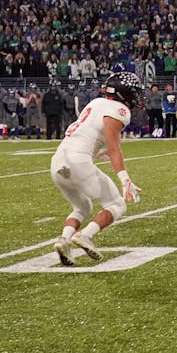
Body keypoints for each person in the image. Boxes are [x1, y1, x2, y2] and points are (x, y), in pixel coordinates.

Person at [50, 71, 143, 265]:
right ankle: (85, 236)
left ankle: (64, 240)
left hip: (58, 159)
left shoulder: (96, 103)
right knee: (117, 205)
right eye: (133, 92)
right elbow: (114, 148)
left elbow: (89, 135)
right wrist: (125, 178)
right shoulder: (119, 109)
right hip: (78, 160)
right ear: (123, 92)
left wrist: (98, 153)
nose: (136, 96)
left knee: (82, 206)